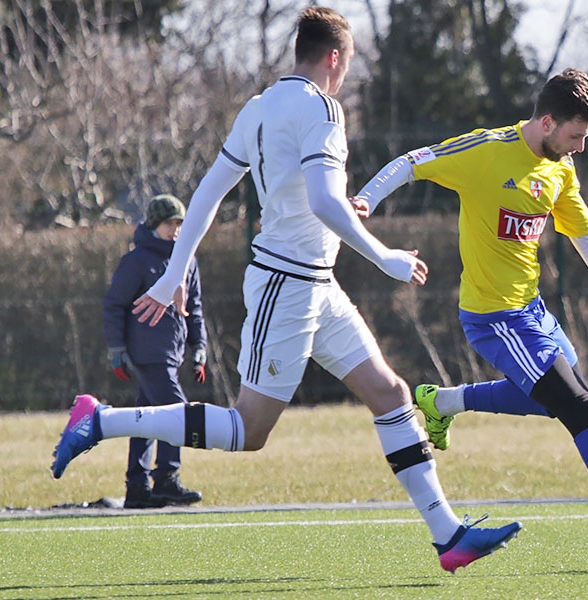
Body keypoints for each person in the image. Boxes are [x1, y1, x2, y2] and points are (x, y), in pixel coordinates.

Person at [51, 6, 520, 573]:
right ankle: (99, 420)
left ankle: (448, 536)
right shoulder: (322, 107)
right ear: (334, 57)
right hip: (287, 284)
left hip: (315, 284)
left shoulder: (260, 106)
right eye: (348, 65)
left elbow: (207, 193)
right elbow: (324, 202)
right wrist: (384, 257)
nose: (346, 75)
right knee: (249, 430)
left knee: (391, 395)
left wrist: (176, 271)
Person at [353, 68, 588, 563]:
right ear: (546, 122)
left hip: (533, 312)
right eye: (575, 135)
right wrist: (367, 197)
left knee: (551, 401)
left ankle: (443, 403)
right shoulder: (485, 150)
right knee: (580, 408)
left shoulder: (560, 169)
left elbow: (587, 237)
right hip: (495, 318)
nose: (581, 146)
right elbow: (411, 162)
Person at [103, 194, 207, 509]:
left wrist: (199, 345)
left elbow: (195, 309)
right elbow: (115, 305)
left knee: (145, 419)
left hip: (171, 354)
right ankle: (166, 480)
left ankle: (137, 487)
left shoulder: (188, 260)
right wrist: (117, 349)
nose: (175, 230)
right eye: (168, 223)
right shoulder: (136, 261)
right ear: (153, 225)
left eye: (179, 223)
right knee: (178, 413)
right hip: (147, 354)